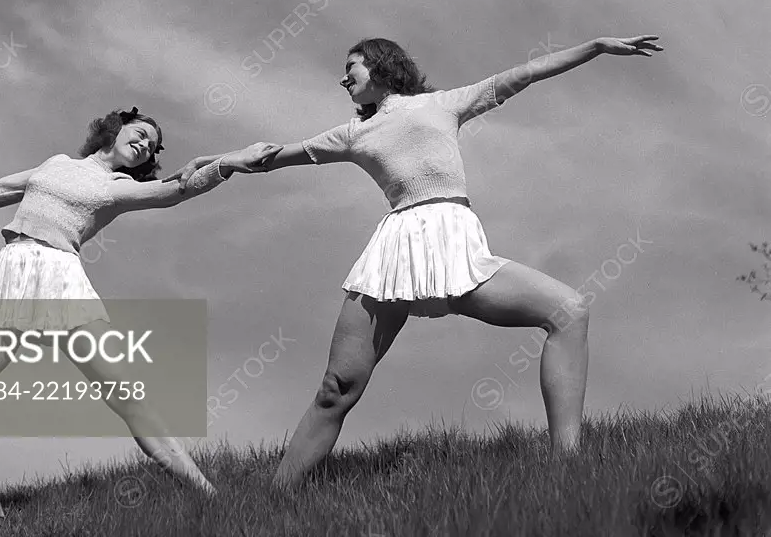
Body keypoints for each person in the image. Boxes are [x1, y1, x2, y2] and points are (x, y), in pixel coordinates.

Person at [172, 35, 662, 487]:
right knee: (336, 387)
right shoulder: (351, 134)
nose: (343, 79)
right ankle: (274, 501)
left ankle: (566, 469)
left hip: (456, 245)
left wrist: (596, 46)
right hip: (393, 253)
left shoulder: (442, 104)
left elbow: (526, 72)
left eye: (352, 68)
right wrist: (217, 161)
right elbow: (271, 156)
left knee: (569, 311)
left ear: (382, 65)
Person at [0, 106, 281, 520]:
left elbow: (178, 191)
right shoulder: (56, 164)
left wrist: (230, 163)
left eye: (151, 147)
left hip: (61, 281)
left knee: (128, 399)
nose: (144, 145)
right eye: (139, 134)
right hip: (11, 275)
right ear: (114, 130)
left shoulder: (118, 186)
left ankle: (211, 498)